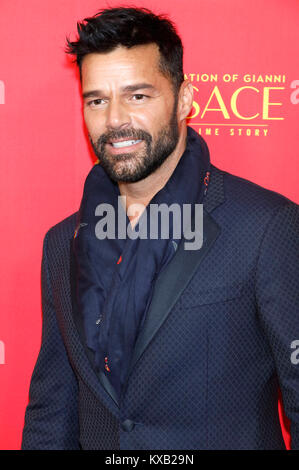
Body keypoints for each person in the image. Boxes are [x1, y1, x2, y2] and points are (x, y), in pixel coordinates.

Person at [21, 7, 299, 450]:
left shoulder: (265, 227)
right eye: (97, 100)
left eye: (138, 96)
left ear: (185, 100)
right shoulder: (62, 244)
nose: (114, 120)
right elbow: (53, 410)